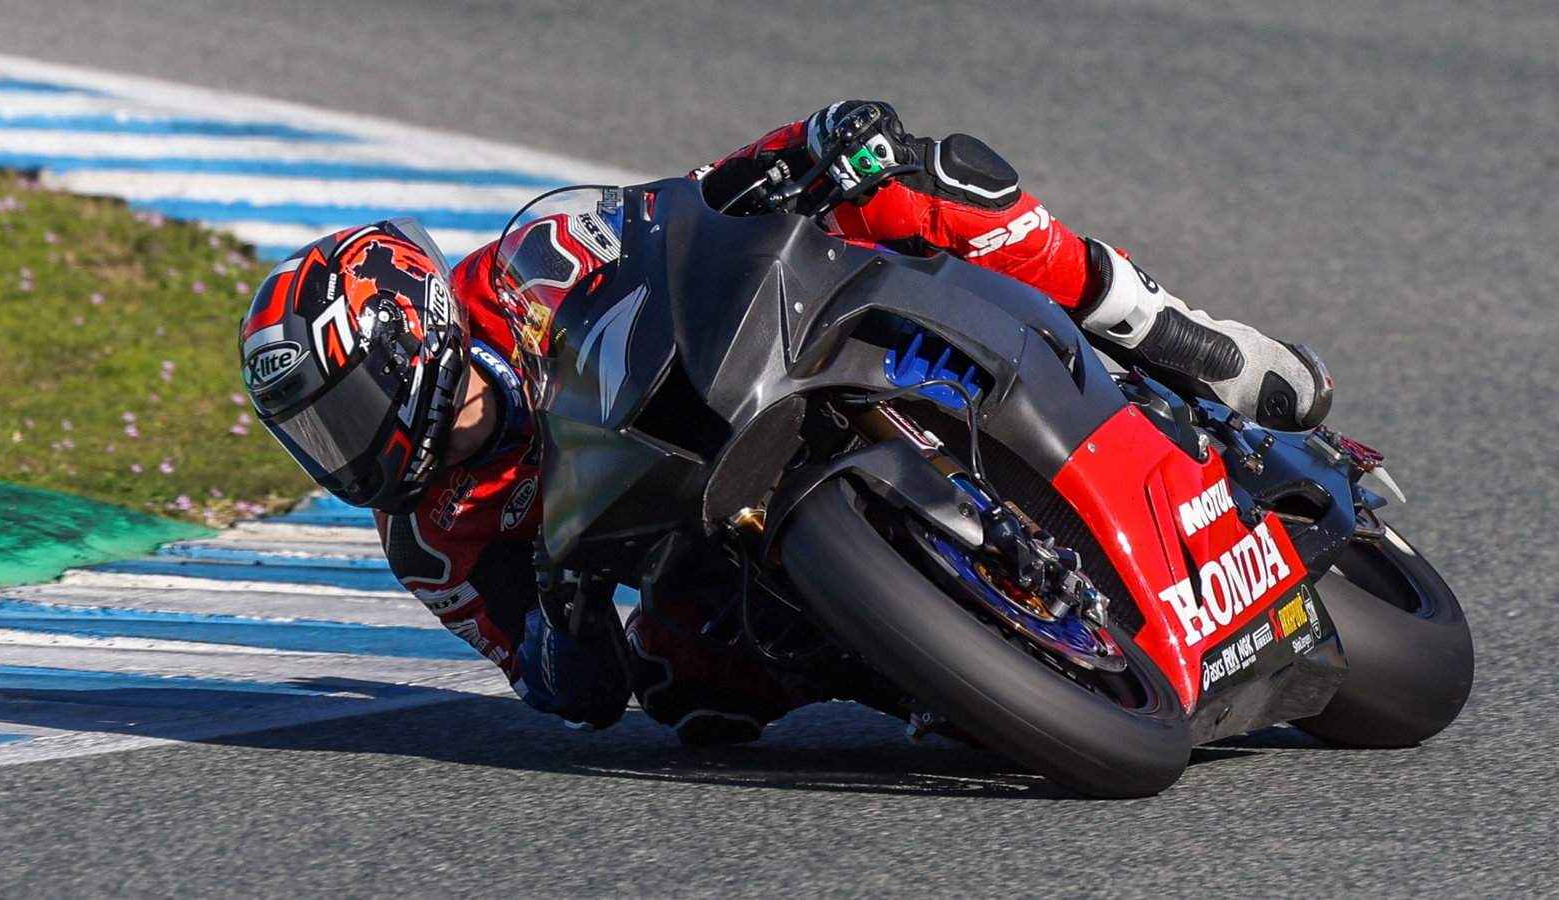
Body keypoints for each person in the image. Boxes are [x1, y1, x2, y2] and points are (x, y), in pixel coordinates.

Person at [238, 100, 1334, 743]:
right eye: (317, 437)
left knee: (908, 179)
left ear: (410, 341)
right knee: (682, 686)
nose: (348, 449)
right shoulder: (430, 537)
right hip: (696, 524)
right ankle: (942, 671)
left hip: (759, 357)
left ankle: (1174, 334)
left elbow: (683, 208)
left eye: (345, 412)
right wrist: (566, 611)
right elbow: (562, 694)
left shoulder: (521, 271)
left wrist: (809, 142)